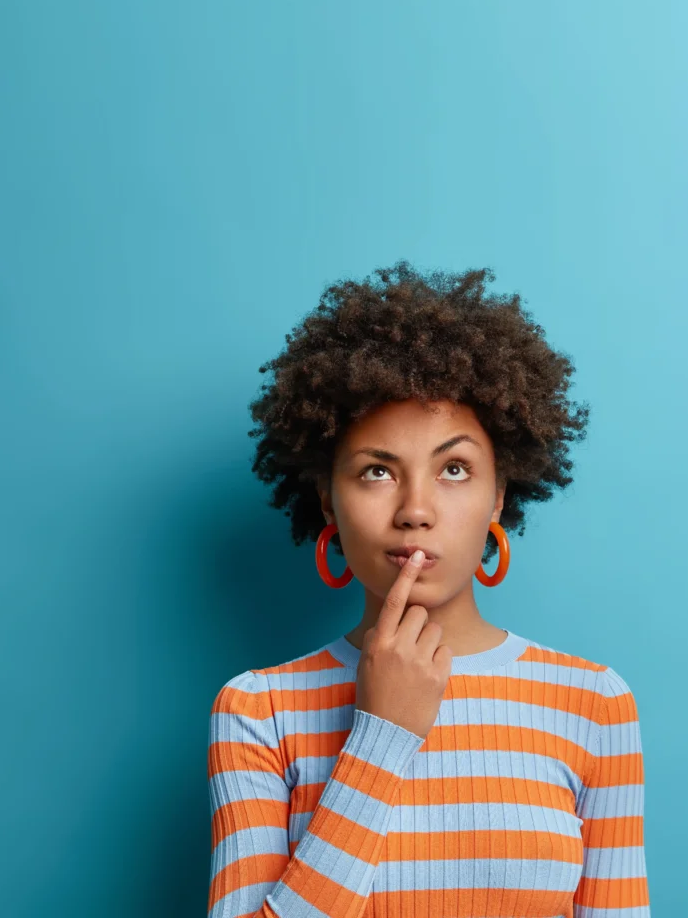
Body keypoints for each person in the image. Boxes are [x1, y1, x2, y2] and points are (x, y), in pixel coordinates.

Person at [207, 262, 651, 918]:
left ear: (499, 494)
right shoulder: (257, 712)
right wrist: (382, 734)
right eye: (378, 471)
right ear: (328, 500)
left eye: (454, 468)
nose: (416, 509)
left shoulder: (594, 706)